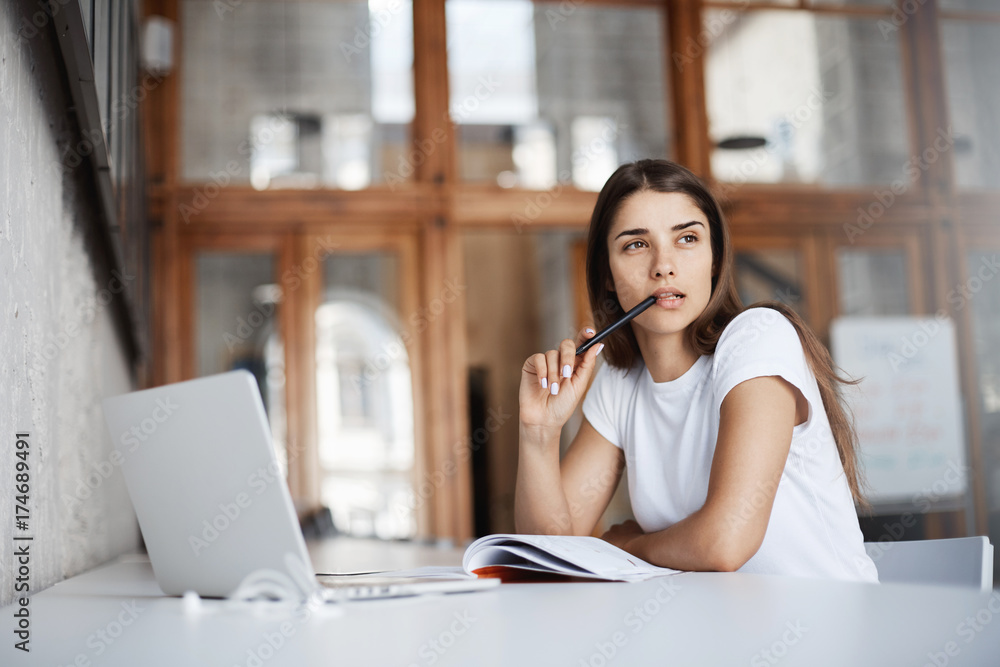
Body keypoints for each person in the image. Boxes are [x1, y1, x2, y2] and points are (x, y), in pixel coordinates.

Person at [514, 159, 879, 582]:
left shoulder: (758, 337)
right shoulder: (620, 381)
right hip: (723, 622)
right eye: (636, 244)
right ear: (607, 274)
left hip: (828, 618)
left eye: (687, 238)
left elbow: (726, 543)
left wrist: (627, 547)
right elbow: (551, 552)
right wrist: (539, 432)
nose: (663, 266)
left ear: (714, 258)